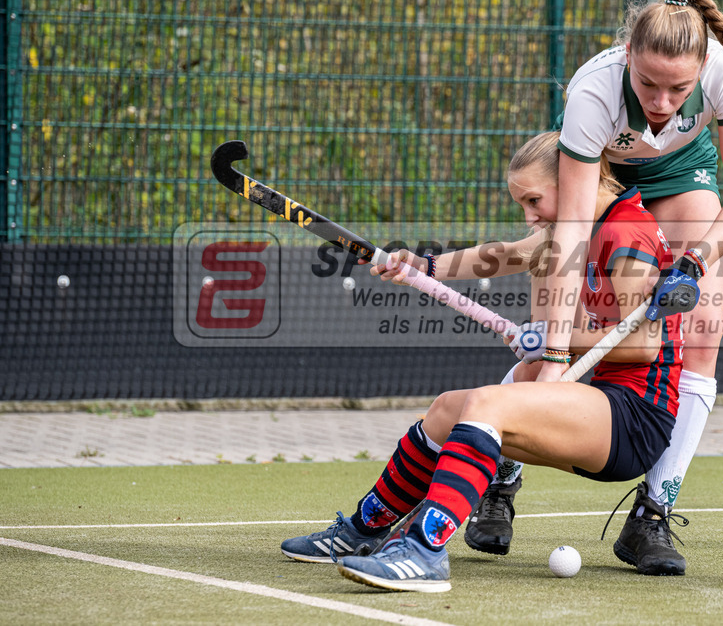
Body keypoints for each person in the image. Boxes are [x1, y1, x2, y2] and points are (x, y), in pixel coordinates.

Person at [465, 0, 723, 575]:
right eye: (648, 83)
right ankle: (502, 471)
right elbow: (572, 227)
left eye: (678, 88)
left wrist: (697, 261)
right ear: (628, 57)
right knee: (562, 330)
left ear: (704, 67)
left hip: (684, 176)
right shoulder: (592, 93)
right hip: (603, 180)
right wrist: (554, 336)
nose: (660, 101)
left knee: (699, 338)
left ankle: (653, 512)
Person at [279, 131, 685, 592]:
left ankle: (425, 551)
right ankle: (362, 531)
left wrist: (553, 338)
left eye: (534, 200)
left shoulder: (625, 231)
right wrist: (422, 267)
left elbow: (644, 347)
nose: (529, 216)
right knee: (447, 409)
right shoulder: (582, 228)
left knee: (488, 407)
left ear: (575, 177)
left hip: (635, 419)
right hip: (604, 402)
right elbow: (508, 255)